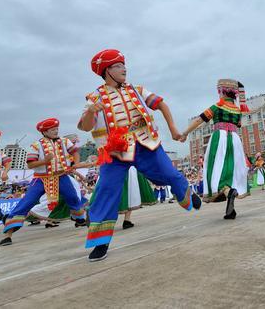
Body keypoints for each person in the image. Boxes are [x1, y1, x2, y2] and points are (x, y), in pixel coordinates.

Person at [78, 49, 200, 261]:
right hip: (114, 152)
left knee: (171, 175)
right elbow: (86, 126)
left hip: (146, 144)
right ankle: (100, 242)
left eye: (124, 65)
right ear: (106, 71)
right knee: (106, 190)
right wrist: (91, 111)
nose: (124, 69)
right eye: (117, 66)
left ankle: (185, 194)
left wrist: (172, 129)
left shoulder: (138, 90)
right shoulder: (94, 97)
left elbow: (161, 104)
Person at [0, 118, 89, 246]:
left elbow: (75, 152)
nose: (56, 131)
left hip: (61, 176)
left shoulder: (65, 141)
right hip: (41, 179)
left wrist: (76, 163)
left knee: (73, 198)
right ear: (45, 132)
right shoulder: (36, 145)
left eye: (56, 129)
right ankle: (7, 234)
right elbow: (30, 165)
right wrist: (45, 161)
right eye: (52, 130)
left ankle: (80, 219)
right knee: (27, 202)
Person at [181, 79, 251, 220]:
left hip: (220, 137)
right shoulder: (237, 109)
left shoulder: (218, 106)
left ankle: (227, 190)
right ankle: (230, 208)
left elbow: (199, 120)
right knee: (231, 170)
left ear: (222, 91)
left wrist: (185, 133)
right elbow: (238, 124)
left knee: (216, 169)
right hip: (235, 139)